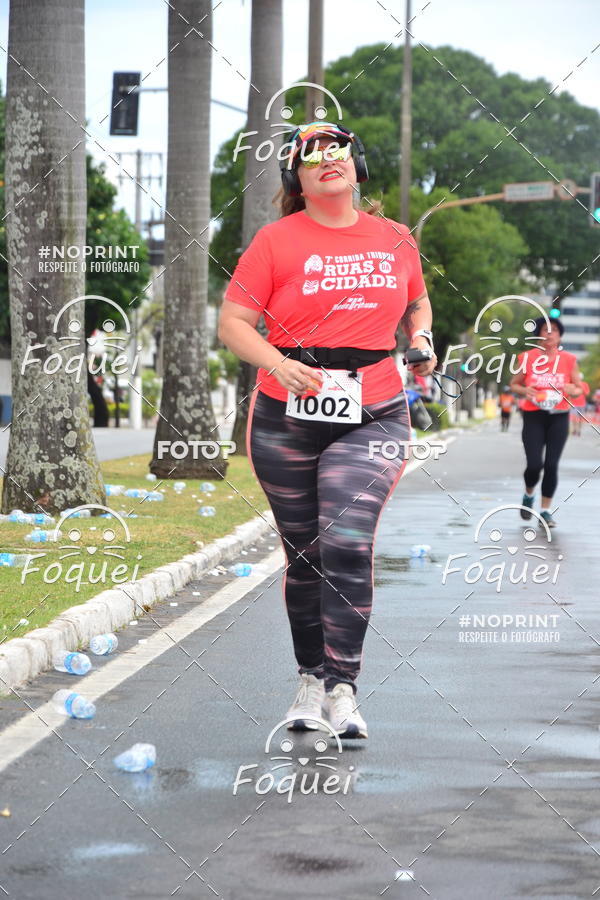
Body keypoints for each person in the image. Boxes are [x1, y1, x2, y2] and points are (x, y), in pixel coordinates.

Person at [218, 121, 436, 739]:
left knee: (343, 538)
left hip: (374, 411)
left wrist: (420, 337)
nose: (326, 159)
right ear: (297, 177)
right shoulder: (274, 241)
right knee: (305, 556)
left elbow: (417, 301)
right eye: (311, 154)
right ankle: (308, 680)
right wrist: (280, 363)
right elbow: (234, 323)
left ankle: (344, 688)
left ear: (357, 165)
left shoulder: (395, 240)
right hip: (285, 412)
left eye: (337, 149)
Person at [510, 316, 583, 528]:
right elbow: (514, 385)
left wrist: (573, 389)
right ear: (538, 335)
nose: (549, 334)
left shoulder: (569, 360)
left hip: (559, 417)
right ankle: (528, 494)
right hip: (534, 415)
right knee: (535, 465)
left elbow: (578, 387)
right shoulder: (526, 358)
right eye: (545, 330)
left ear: (560, 336)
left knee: (551, 465)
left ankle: (545, 511)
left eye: (554, 331)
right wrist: (525, 390)